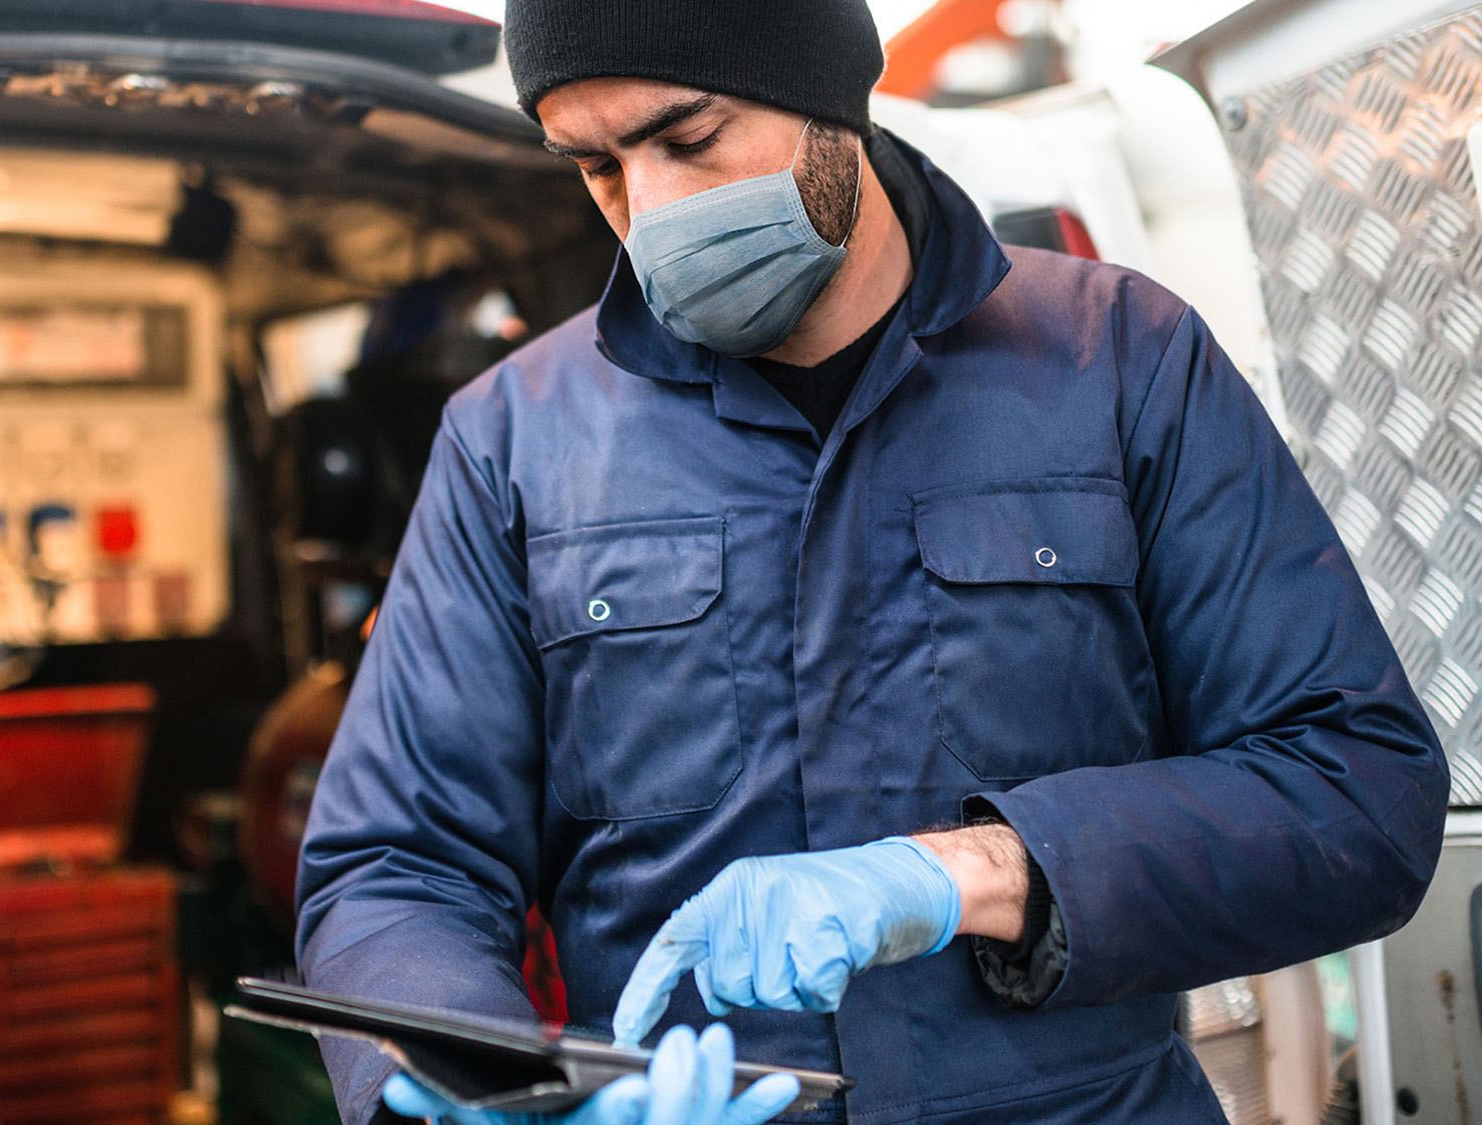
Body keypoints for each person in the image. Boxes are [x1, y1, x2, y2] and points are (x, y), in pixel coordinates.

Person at [295, 0, 1453, 1120]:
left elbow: (1354, 792)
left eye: (686, 137)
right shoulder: (515, 439)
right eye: (595, 166)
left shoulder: (1118, 362)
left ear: (824, 92)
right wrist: (449, 1074)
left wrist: (976, 873)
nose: (646, 211)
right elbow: (397, 866)